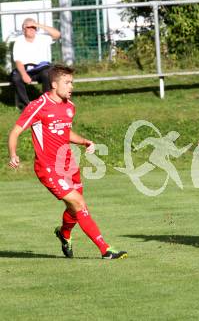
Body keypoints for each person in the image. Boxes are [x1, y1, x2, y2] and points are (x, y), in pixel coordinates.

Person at [8, 64, 127, 259]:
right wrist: (13, 154)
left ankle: (64, 234)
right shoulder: (38, 105)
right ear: (54, 84)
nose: (71, 87)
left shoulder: (70, 106)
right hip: (48, 168)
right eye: (67, 83)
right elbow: (15, 131)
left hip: (69, 165)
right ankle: (105, 249)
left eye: (72, 82)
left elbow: (64, 131)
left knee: (74, 208)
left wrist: (83, 141)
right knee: (79, 203)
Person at [11, 18, 61, 110]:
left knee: (47, 73)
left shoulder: (42, 38)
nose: (31, 29)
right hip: (26, 69)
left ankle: (47, 103)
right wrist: (24, 75)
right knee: (16, 77)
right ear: (23, 29)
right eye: (28, 27)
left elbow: (57, 34)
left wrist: (38, 25)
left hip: (42, 68)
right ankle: (26, 106)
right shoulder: (19, 41)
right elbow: (18, 61)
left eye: (33, 27)